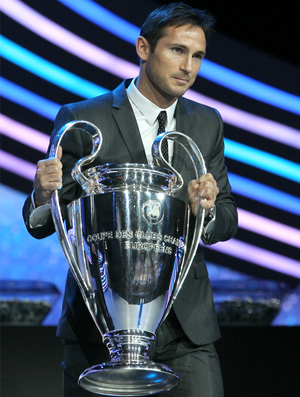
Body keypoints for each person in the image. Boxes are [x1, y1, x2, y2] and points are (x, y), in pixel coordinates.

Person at [23, 2, 238, 396]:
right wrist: (41, 193)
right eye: (177, 50)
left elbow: (226, 219)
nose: (188, 67)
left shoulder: (207, 122)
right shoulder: (85, 117)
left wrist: (204, 210)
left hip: (185, 329)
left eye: (198, 56)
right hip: (100, 327)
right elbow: (53, 217)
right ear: (143, 48)